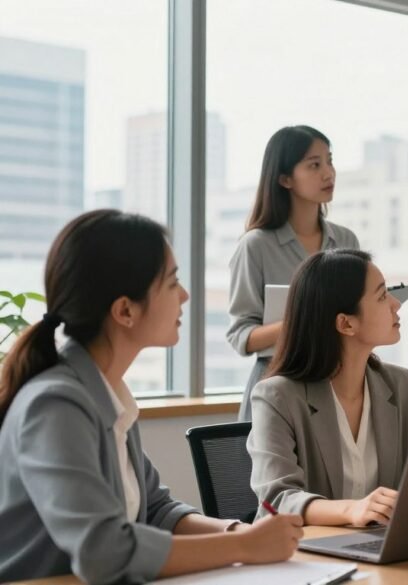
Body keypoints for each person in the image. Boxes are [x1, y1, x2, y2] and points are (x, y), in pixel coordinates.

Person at [0, 210, 302, 584]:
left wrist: (238, 532)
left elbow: (157, 510)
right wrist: (246, 548)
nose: (186, 295)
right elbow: (104, 552)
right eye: (173, 282)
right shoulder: (56, 405)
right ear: (125, 310)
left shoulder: (107, 394)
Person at [248, 249, 408, 527]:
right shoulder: (277, 397)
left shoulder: (400, 384)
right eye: (383, 296)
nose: (396, 304)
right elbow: (278, 500)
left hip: (383, 547)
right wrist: (352, 511)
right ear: (346, 323)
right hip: (307, 555)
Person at [227, 125, 360, 421]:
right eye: (314, 165)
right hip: (276, 382)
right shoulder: (255, 246)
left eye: (330, 160)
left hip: (335, 382)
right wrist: (302, 319)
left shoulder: (346, 241)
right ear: (285, 178)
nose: (329, 173)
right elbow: (241, 337)